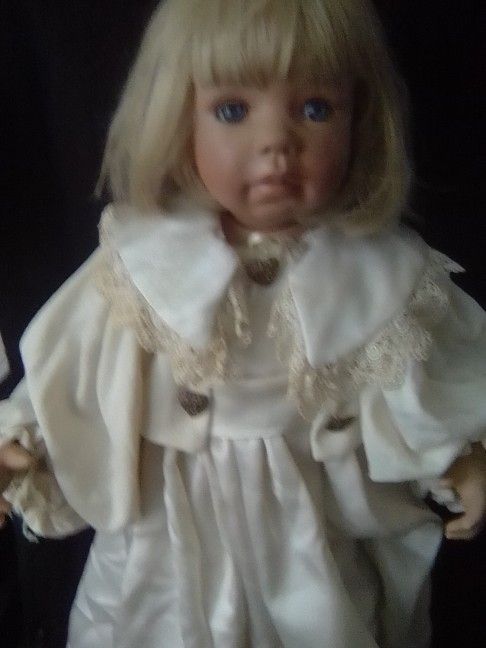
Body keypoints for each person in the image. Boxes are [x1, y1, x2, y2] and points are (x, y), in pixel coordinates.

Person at [1, 0, 485, 646]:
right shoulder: (145, 263)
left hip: (307, 532)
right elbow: (75, 364)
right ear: (181, 119)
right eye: (233, 111)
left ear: (360, 120)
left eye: (316, 109)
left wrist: (462, 456)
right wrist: (23, 437)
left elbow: (424, 383)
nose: (277, 142)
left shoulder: (376, 276)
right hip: (168, 526)